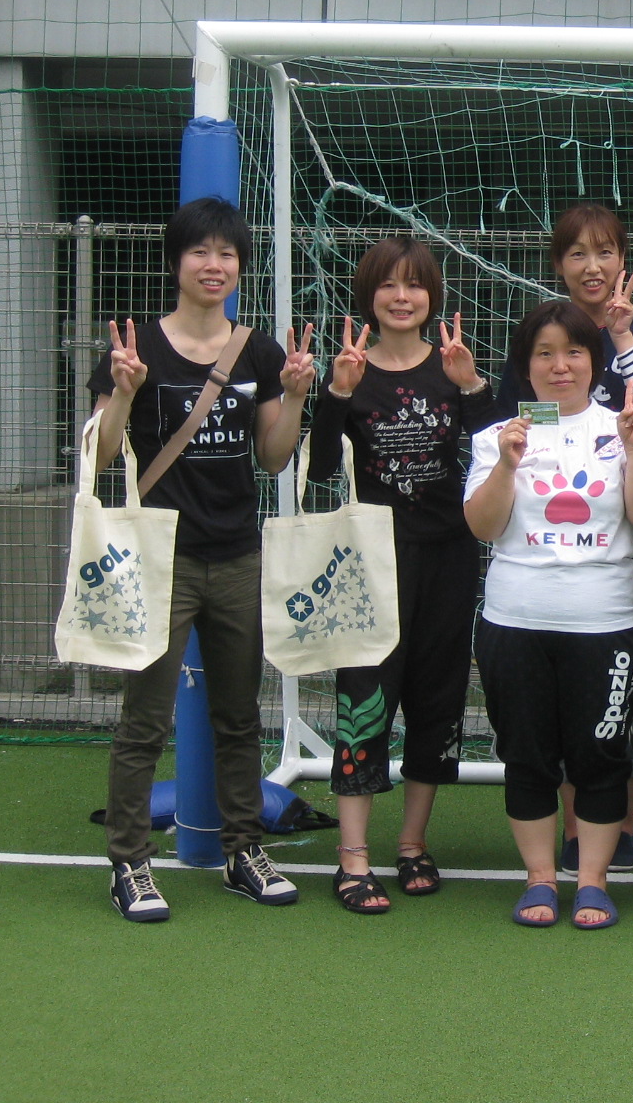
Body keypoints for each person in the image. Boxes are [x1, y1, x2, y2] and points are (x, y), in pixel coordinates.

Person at [86, 196, 316, 923]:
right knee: (145, 721)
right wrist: (122, 394)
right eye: (200, 252)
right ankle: (129, 863)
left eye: (227, 254)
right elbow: (99, 456)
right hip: (162, 560)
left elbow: (273, 457)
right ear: (176, 261)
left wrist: (295, 397)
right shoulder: (137, 350)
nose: (214, 265)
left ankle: (244, 852)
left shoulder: (258, 352)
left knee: (238, 717)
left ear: (240, 266)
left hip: (238, 555)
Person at [463, 301, 633, 929]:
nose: (561, 366)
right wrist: (506, 463)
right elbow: (483, 526)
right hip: (514, 621)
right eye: (545, 354)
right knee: (527, 756)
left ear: (594, 361)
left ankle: (593, 882)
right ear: (525, 367)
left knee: (600, 755)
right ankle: (540, 878)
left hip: (604, 624)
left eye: (574, 352)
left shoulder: (625, 426)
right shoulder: (498, 436)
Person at [308, 238, 494, 913]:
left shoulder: (453, 367)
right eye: (388, 284)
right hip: (370, 561)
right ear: (369, 295)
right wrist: (336, 393)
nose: (401, 296)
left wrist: (471, 386)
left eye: (414, 285)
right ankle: (353, 857)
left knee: (437, 698)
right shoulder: (353, 373)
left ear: (431, 297)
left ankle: (413, 843)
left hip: (448, 556)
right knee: (364, 695)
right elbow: (320, 468)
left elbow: (498, 450)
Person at [495, 202, 633, 873]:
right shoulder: (547, 334)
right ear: (559, 265)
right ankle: (576, 830)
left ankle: (619, 820)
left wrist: (623, 341)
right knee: (566, 690)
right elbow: (526, 417)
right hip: (557, 529)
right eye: (577, 253)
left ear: (624, 259)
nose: (592, 266)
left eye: (605, 251)